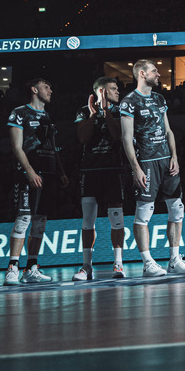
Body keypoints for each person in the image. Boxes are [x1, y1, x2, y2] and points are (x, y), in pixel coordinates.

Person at [120, 59, 185, 276]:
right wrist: (136, 168)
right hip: (146, 162)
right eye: (154, 71)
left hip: (167, 160)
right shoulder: (129, 102)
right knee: (143, 214)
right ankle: (147, 262)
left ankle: (174, 259)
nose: (158, 74)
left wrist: (175, 157)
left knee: (177, 209)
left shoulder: (160, 99)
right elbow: (126, 138)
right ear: (142, 74)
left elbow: (169, 130)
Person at [4, 78, 69, 285]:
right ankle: (12, 268)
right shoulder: (19, 112)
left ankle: (31, 268)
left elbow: (53, 146)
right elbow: (16, 147)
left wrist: (60, 172)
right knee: (23, 220)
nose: (50, 90)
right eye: (46, 87)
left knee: (40, 223)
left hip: (48, 175)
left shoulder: (48, 116)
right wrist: (30, 171)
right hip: (29, 174)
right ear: (34, 89)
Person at [73, 77, 127, 281]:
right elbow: (83, 138)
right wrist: (94, 115)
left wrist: (106, 113)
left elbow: (117, 135)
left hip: (113, 170)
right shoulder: (83, 110)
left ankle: (118, 264)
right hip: (90, 171)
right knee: (88, 220)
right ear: (102, 91)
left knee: (116, 219)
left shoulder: (119, 109)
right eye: (113, 89)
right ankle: (87, 266)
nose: (118, 92)